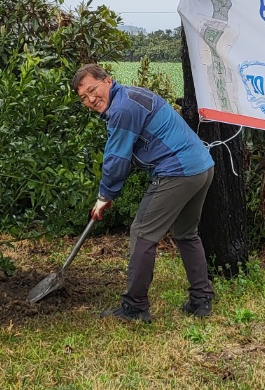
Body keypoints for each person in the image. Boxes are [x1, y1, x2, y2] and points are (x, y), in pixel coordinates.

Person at [73, 63, 215, 323]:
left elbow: (116, 159)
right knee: (186, 233)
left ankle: (135, 308)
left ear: (108, 80)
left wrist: (105, 196)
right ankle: (201, 299)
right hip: (201, 166)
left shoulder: (123, 109)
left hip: (179, 170)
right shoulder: (130, 97)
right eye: (84, 97)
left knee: (142, 233)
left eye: (93, 89)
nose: (91, 99)